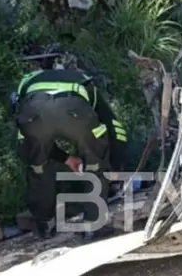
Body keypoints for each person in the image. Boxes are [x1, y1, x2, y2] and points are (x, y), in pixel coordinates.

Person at [11, 68, 128, 240]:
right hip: (73, 108)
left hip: (32, 112)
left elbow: (21, 127)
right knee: (96, 164)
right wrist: (117, 165)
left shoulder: (27, 81)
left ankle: (44, 225)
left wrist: (64, 158)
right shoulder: (83, 80)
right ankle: (92, 227)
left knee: (38, 166)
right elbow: (114, 126)